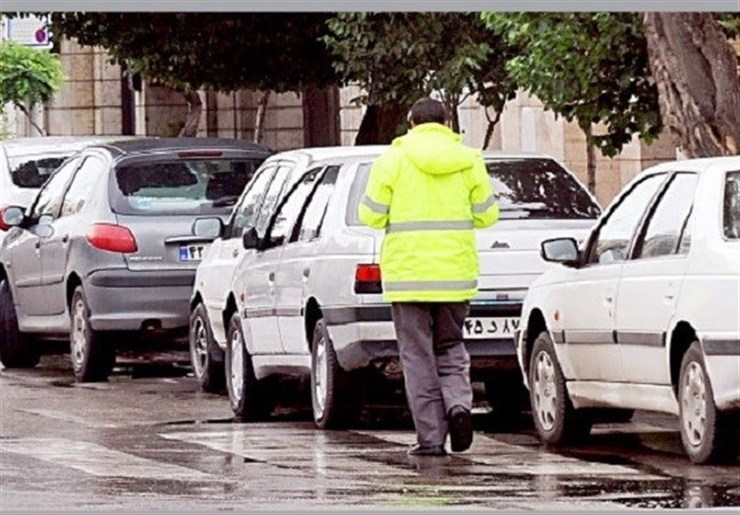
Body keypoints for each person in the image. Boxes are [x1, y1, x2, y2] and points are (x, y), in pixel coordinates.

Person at [359, 98, 499, 456]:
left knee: (417, 356)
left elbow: (371, 215)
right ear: (447, 122)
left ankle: (431, 439)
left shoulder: (392, 159)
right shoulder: (469, 160)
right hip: (454, 276)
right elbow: (487, 216)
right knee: (451, 347)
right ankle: (459, 407)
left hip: (407, 278)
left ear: (410, 122)